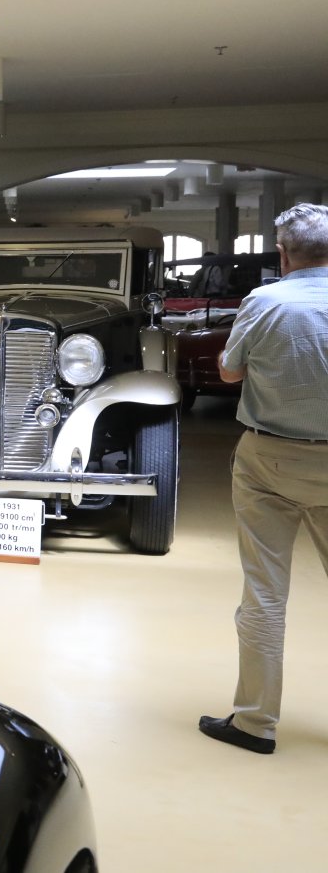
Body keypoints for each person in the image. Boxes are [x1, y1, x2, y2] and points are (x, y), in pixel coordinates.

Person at [199, 203, 328, 754]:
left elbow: (230, 371)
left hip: (270, 459)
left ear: (282, 253)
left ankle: (255, 723)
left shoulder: (266, 301)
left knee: (264, 591)